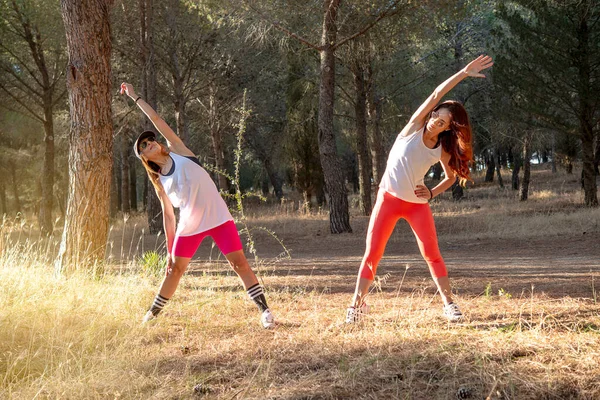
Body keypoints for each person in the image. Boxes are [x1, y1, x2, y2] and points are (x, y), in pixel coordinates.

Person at [346, 55, 494, 323]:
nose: (436, 120)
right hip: (388, 198)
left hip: (416, 205)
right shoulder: (413, 127)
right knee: (372, 253)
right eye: (436, 115)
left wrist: (432, 192)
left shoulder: (442, 149)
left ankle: (449, 304)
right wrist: (463, 72)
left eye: (442, 122)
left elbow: (450, 178)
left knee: (432, 254)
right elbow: (437, 92)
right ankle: (356, 306)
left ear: (448, 129)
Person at [120, 82, 275, 328]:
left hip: (218, 217)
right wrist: (170, 250)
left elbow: (157, 119)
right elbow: (169, 216)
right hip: (189, 225)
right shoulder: (159, 180)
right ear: (144, 158)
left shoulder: (179, 151)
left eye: (149, 140)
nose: (149, 143)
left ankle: (265, 312)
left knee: (239, 264)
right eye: (143, 147)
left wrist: (134, 96)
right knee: (174, 270)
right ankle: (150, 316)